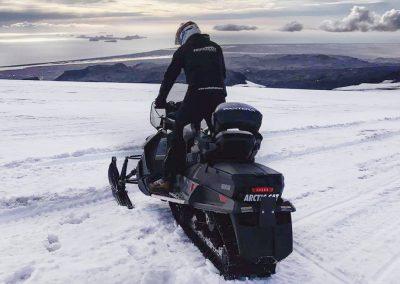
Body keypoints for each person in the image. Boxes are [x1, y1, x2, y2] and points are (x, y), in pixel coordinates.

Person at [150, 21, 227, 192]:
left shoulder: (184, 50)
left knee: (178, 130)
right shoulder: (216, 47)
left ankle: (168, 179)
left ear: (184, 34)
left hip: (197, 96)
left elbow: (169, 77)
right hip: (219, 96)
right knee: (217, 134)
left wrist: (161, 100)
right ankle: (218, 172)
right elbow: (223, 74)